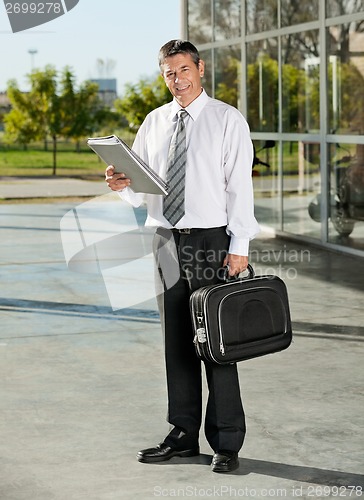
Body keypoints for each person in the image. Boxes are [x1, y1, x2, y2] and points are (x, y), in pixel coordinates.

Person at [105, 39, 260, 473]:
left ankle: (227, 441)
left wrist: (239, 247)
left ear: (200, 68)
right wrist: (123, 186)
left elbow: (239, 190)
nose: (178, 79)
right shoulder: (154, 122)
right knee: (178, 343)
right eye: (169, 73)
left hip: (210, 241)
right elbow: (142, 188)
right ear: (163, 75)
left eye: (184, 70)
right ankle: (183, 434)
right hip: (164, 242)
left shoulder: (227, 120)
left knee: (216, 342)